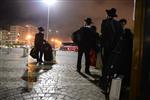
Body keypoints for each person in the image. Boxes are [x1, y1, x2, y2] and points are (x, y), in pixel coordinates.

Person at [99, 8, 123, 94]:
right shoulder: (118, 24)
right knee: (111, 66)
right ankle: (110, 85)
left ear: (108, 15)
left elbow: (102, 33)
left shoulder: (104, 22)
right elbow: (120, 36)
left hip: (106, 47)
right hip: (114, 49)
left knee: (105, 65)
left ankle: (103, 84)